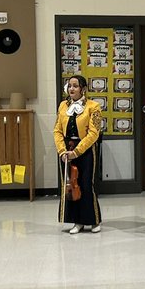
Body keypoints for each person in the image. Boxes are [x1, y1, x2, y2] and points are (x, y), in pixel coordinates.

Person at [54, 74, 102, 233]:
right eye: (69, 86)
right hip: (67, 149)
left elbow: (93, 133)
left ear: (83, 89)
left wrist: (77, 151)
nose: (71, 89)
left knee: (86, 184)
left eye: (75, 86)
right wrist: (62, 150)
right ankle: (77, 221)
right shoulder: (63, 106)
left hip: (85, 150)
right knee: (71, 186)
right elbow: (57, 130)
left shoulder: (93, 106)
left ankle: (93, 220)